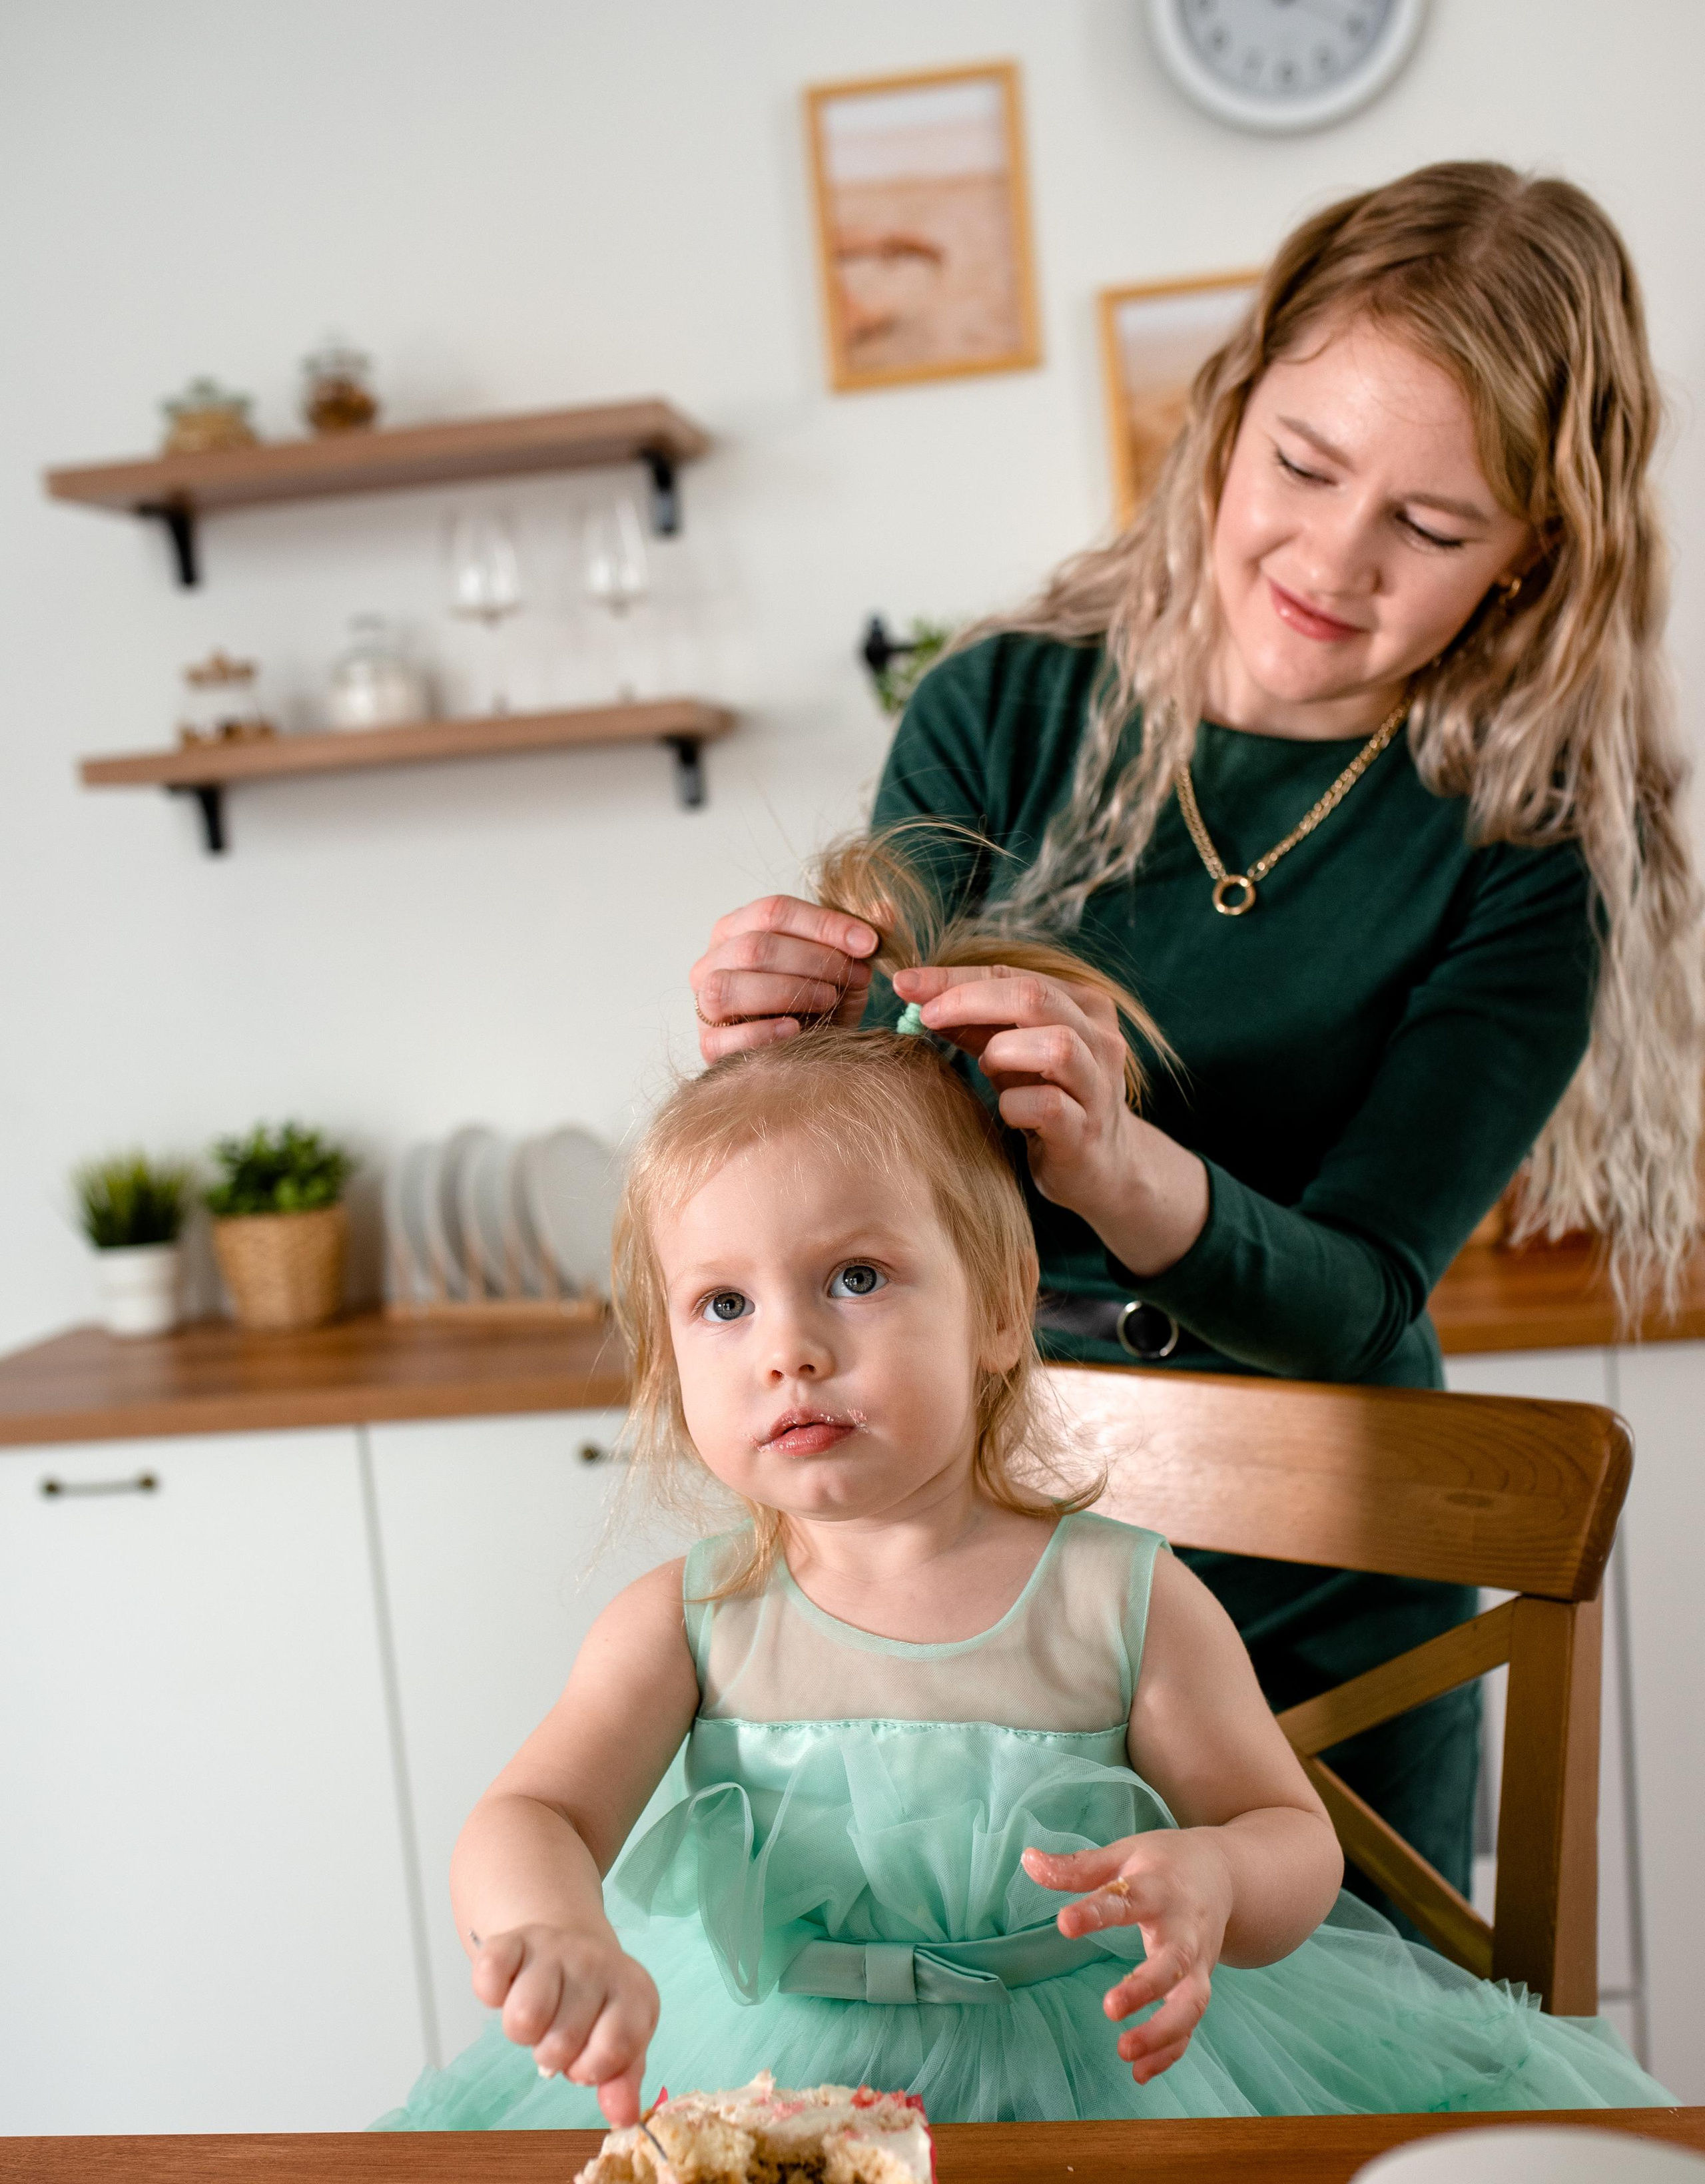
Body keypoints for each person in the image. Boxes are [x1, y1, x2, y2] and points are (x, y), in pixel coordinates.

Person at [687, 162, 1705, 1924]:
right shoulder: (1002, 711)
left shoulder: (1531, 853)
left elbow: (1359, 1299)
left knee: (1344, 2107)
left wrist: (1119, 1162)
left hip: (1329, 1573)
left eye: (1432, 527)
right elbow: (861, 1156)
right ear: (1228, 414)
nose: (1332, 558)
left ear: (1536, 554)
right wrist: (769, 1059)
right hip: (979, 1550)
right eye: (1305, 467)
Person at [378, 840, 1667, 2131]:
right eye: (722, 1304)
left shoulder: (1122, 1599)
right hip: (768, 2097)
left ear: (1001, 1312)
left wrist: (1213, 1876)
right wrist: (552, 1929)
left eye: (857, 1277)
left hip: (1103, 2104)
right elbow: (530, 1814)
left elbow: (1291, 1839)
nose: (789, 1349)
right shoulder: (684, 1620)